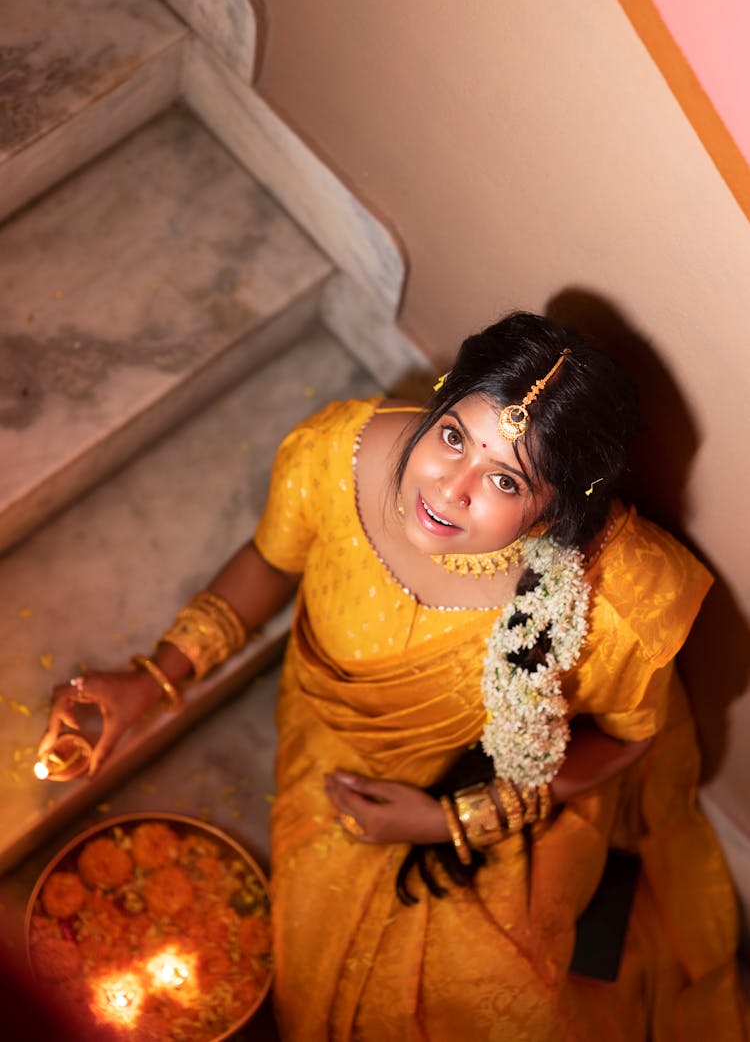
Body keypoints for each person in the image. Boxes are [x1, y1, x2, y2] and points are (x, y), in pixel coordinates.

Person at [40, 311, 748, 1041]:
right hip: (332, 749)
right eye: (452, 437)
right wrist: (157, 678)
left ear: (557, 510)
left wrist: (452, 821)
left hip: (501, 785)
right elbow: (270, 562)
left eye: (504, 479)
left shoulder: (614, 597)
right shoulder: (335, 454)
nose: (449, 489)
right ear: (440, 398)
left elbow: (626, 743)